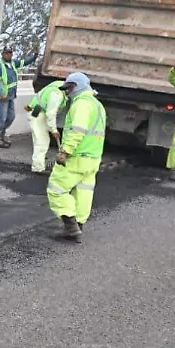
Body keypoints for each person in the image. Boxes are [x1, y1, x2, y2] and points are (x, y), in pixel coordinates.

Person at [47, 72, 106, 243]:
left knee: (56, 189)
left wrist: (65, 151)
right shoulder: (97, 105)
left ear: (78, 86)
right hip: (93, 158)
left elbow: (77, 130)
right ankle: (78, 225)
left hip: (77, 157)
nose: (67, 92)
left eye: (70, 88)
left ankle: (70, 226)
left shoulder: (81, 104)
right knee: (84, 192)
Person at [0, 46, 38, 148]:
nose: (9, 55)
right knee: (1, 118)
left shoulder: (13, 63)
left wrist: (34, 57)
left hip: (10, 95)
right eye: (7, 53)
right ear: (3, 54)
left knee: (11, 117)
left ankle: (1, 134)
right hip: (0, 96)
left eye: (10, 53)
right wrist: (2, 93)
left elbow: (24, 62)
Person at [27, 78, 67, 174]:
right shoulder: (57, 94)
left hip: (37, 111)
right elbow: (51, 113)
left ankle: (39, 163)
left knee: (39, 140)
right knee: (41, 141)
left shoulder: (59, 85)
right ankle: (38, 168)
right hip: (38, 113)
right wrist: (54, 130)